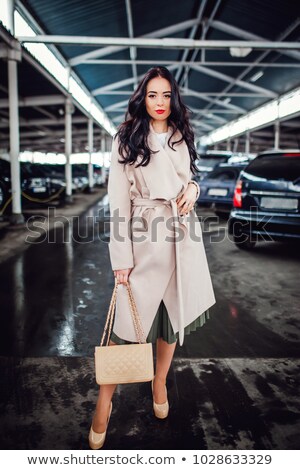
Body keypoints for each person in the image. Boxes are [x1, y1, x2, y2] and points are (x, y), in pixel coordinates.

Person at [89, 66, 216, 449]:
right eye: (152, 95)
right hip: (144, 237)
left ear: (173, 99)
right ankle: (104, 402)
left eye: (165, 95)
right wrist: (121, 257)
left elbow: (190, 176)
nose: (159, 103)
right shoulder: (127, 137)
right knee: (126, 324)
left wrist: (193, 187)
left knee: (169, 321)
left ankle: (159, 381)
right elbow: (118, 201)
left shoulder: (180, 134)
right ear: (142, 99)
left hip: (181, 234)